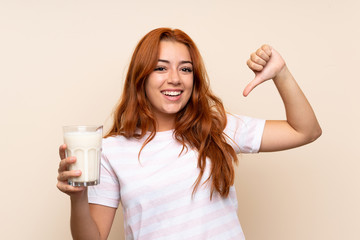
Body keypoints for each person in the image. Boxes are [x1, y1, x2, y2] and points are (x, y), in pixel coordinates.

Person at [57, 28, 321, 240]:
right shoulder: (112, 150)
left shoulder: (216, 127)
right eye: (161, 68)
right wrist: (78, 197)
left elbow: (305, 131)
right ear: (141, 78)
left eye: (185, 69)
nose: (175, 78)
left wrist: (281, 74)